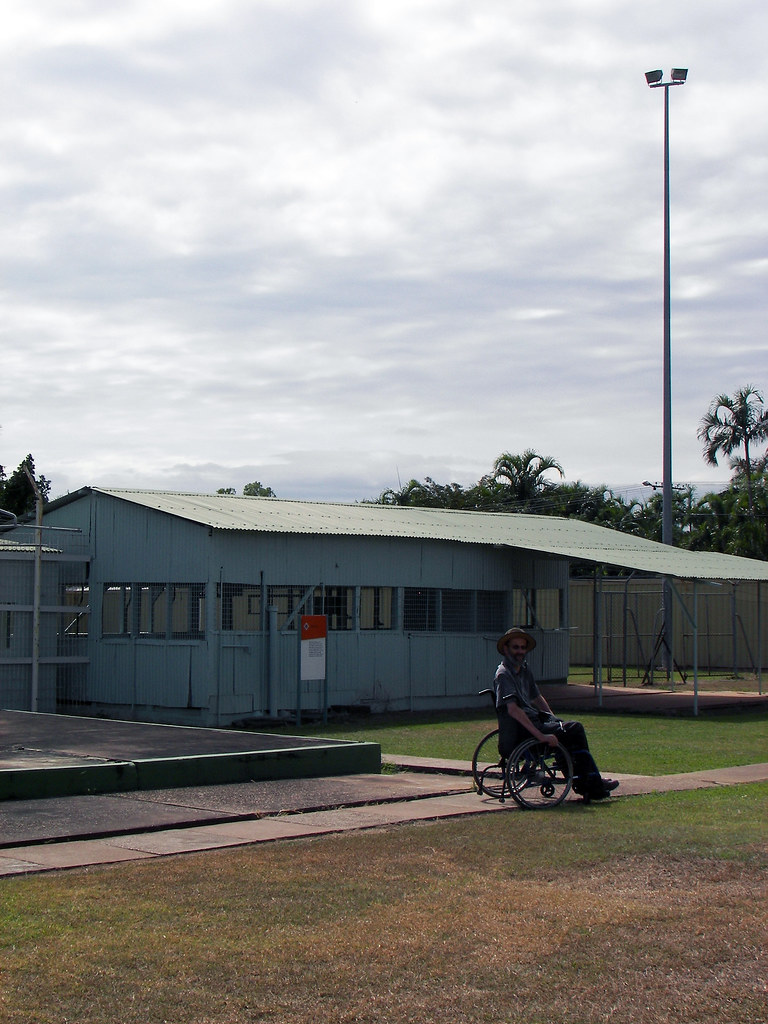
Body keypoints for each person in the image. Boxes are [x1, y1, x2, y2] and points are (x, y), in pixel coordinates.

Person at [494, 626, 619, 801]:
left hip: (537, 723)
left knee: (567, 731)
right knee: (575, 729)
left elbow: (537, 697)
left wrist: (553, 719)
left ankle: (588, 781)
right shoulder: (504, 675)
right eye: (515, 647)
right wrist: (542, 736)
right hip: (525, 732)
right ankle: (590, 783)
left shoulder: (524, 670)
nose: (520, 652)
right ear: (506, 649)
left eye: (523, 648)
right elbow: (513, 710)